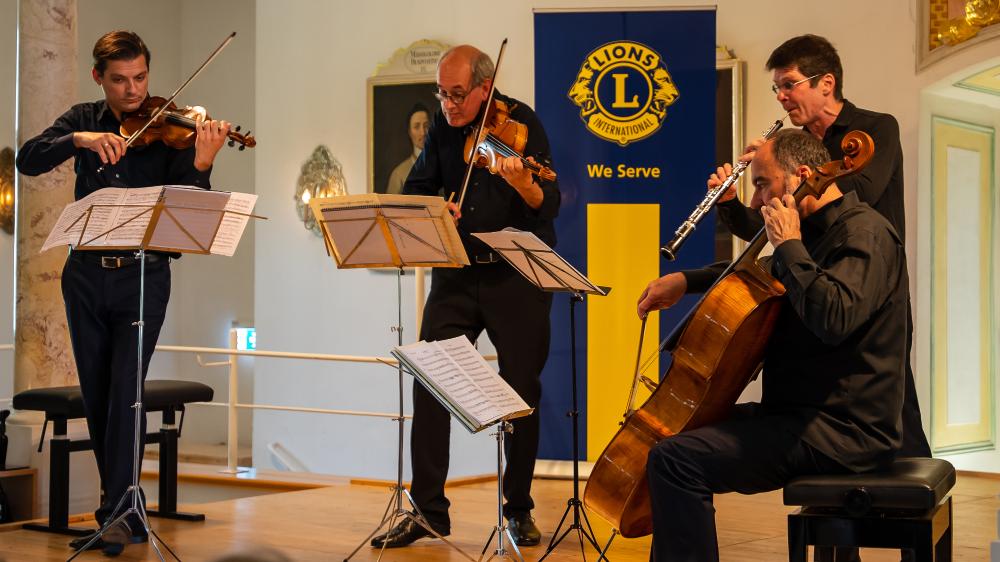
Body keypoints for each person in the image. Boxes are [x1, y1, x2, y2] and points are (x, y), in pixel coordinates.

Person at [639, 129, 908, 562]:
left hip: (843, 429)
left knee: (677, 461)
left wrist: (789, 244)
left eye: (762, 184)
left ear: (802, 174)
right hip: (800, 415)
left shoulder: (865, 235)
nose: (756, 201)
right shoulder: (813, 231)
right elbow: (758, 272)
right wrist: (684, 281)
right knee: (674, 440)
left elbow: (834, 319)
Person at [16, 30, 229, 556]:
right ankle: (123, 507)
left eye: (140, 78)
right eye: (120, 80)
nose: (133, 91)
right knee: (98, 392)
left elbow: (187, 202)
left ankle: (119, 510)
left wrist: (202, 161)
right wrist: (79, 141)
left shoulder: (172, 127)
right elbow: (28, 158)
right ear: (100, 79)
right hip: (85, 275)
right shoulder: (83, 118)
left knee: (127, 390)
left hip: (144, 274)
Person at [370, 44, 560, 549]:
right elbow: (415, 190)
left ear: (485, 88)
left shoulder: (523, 125)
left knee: (520, 391)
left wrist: (523, 184)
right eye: (442, 93)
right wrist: (438, 209)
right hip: (456, 273)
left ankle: (517, 509)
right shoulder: (441, 127)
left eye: (457, 95)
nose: (448, 104)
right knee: (431, 380)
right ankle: (428, 510)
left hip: (516, 275)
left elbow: (549, 203)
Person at [709, 34, 930, 461]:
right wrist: (736, 201)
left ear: (825, 83)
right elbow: (767, 227)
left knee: (894, 409)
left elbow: (863, 190)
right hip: (809, 281)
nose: (782, 97)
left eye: (789, 84)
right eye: (777, 88)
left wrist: (792, 168)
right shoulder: (794, 147)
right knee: (813, 408)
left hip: (866, 285)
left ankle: (913, 507)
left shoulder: (874, 128)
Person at [385, 103, 430, 194]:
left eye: (426, 126)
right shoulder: (399, 174)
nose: (423, 132)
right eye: (416, 127)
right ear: (409, 132)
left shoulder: (442, 166)